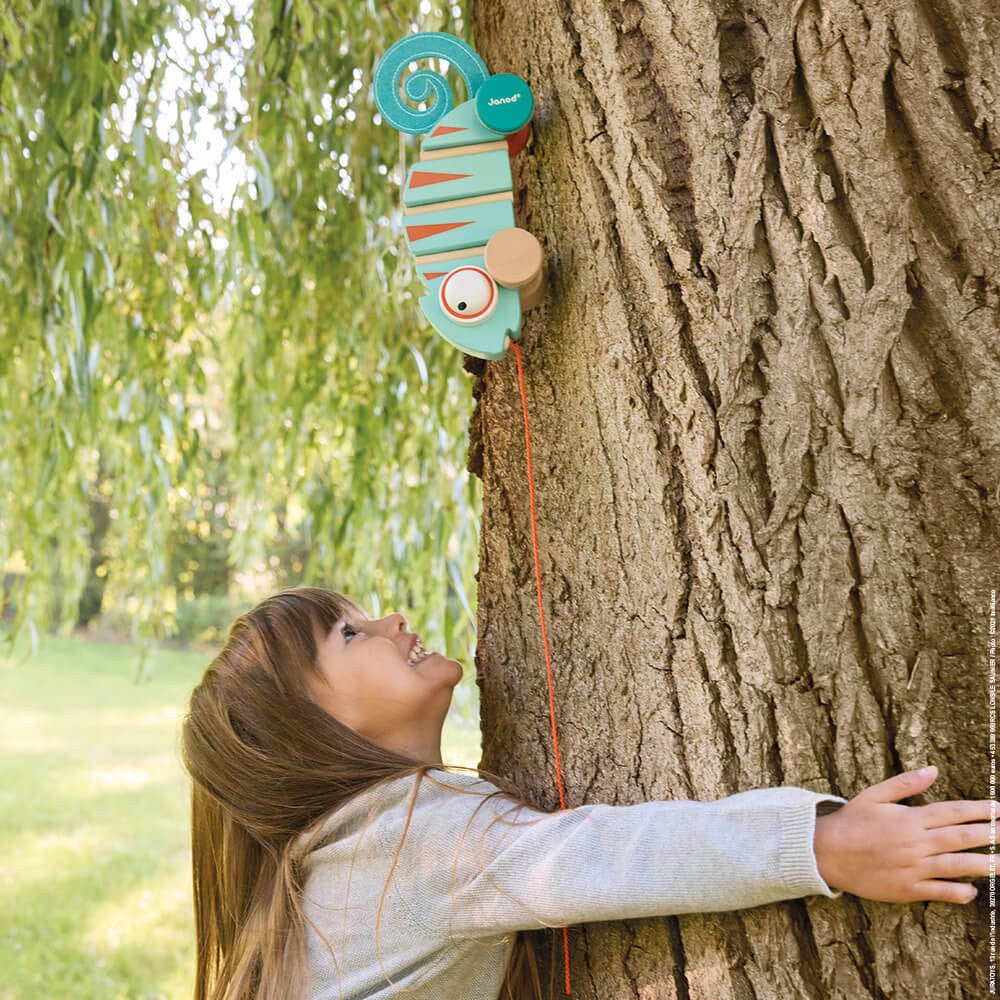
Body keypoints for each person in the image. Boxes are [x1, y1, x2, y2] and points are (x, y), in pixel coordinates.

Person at [180, 586, 994, 1000]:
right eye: (350, 633)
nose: (392, 618)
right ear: (306, 730)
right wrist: (820, 844)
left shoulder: (348, 852)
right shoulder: (409, 844)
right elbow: (598, 855)